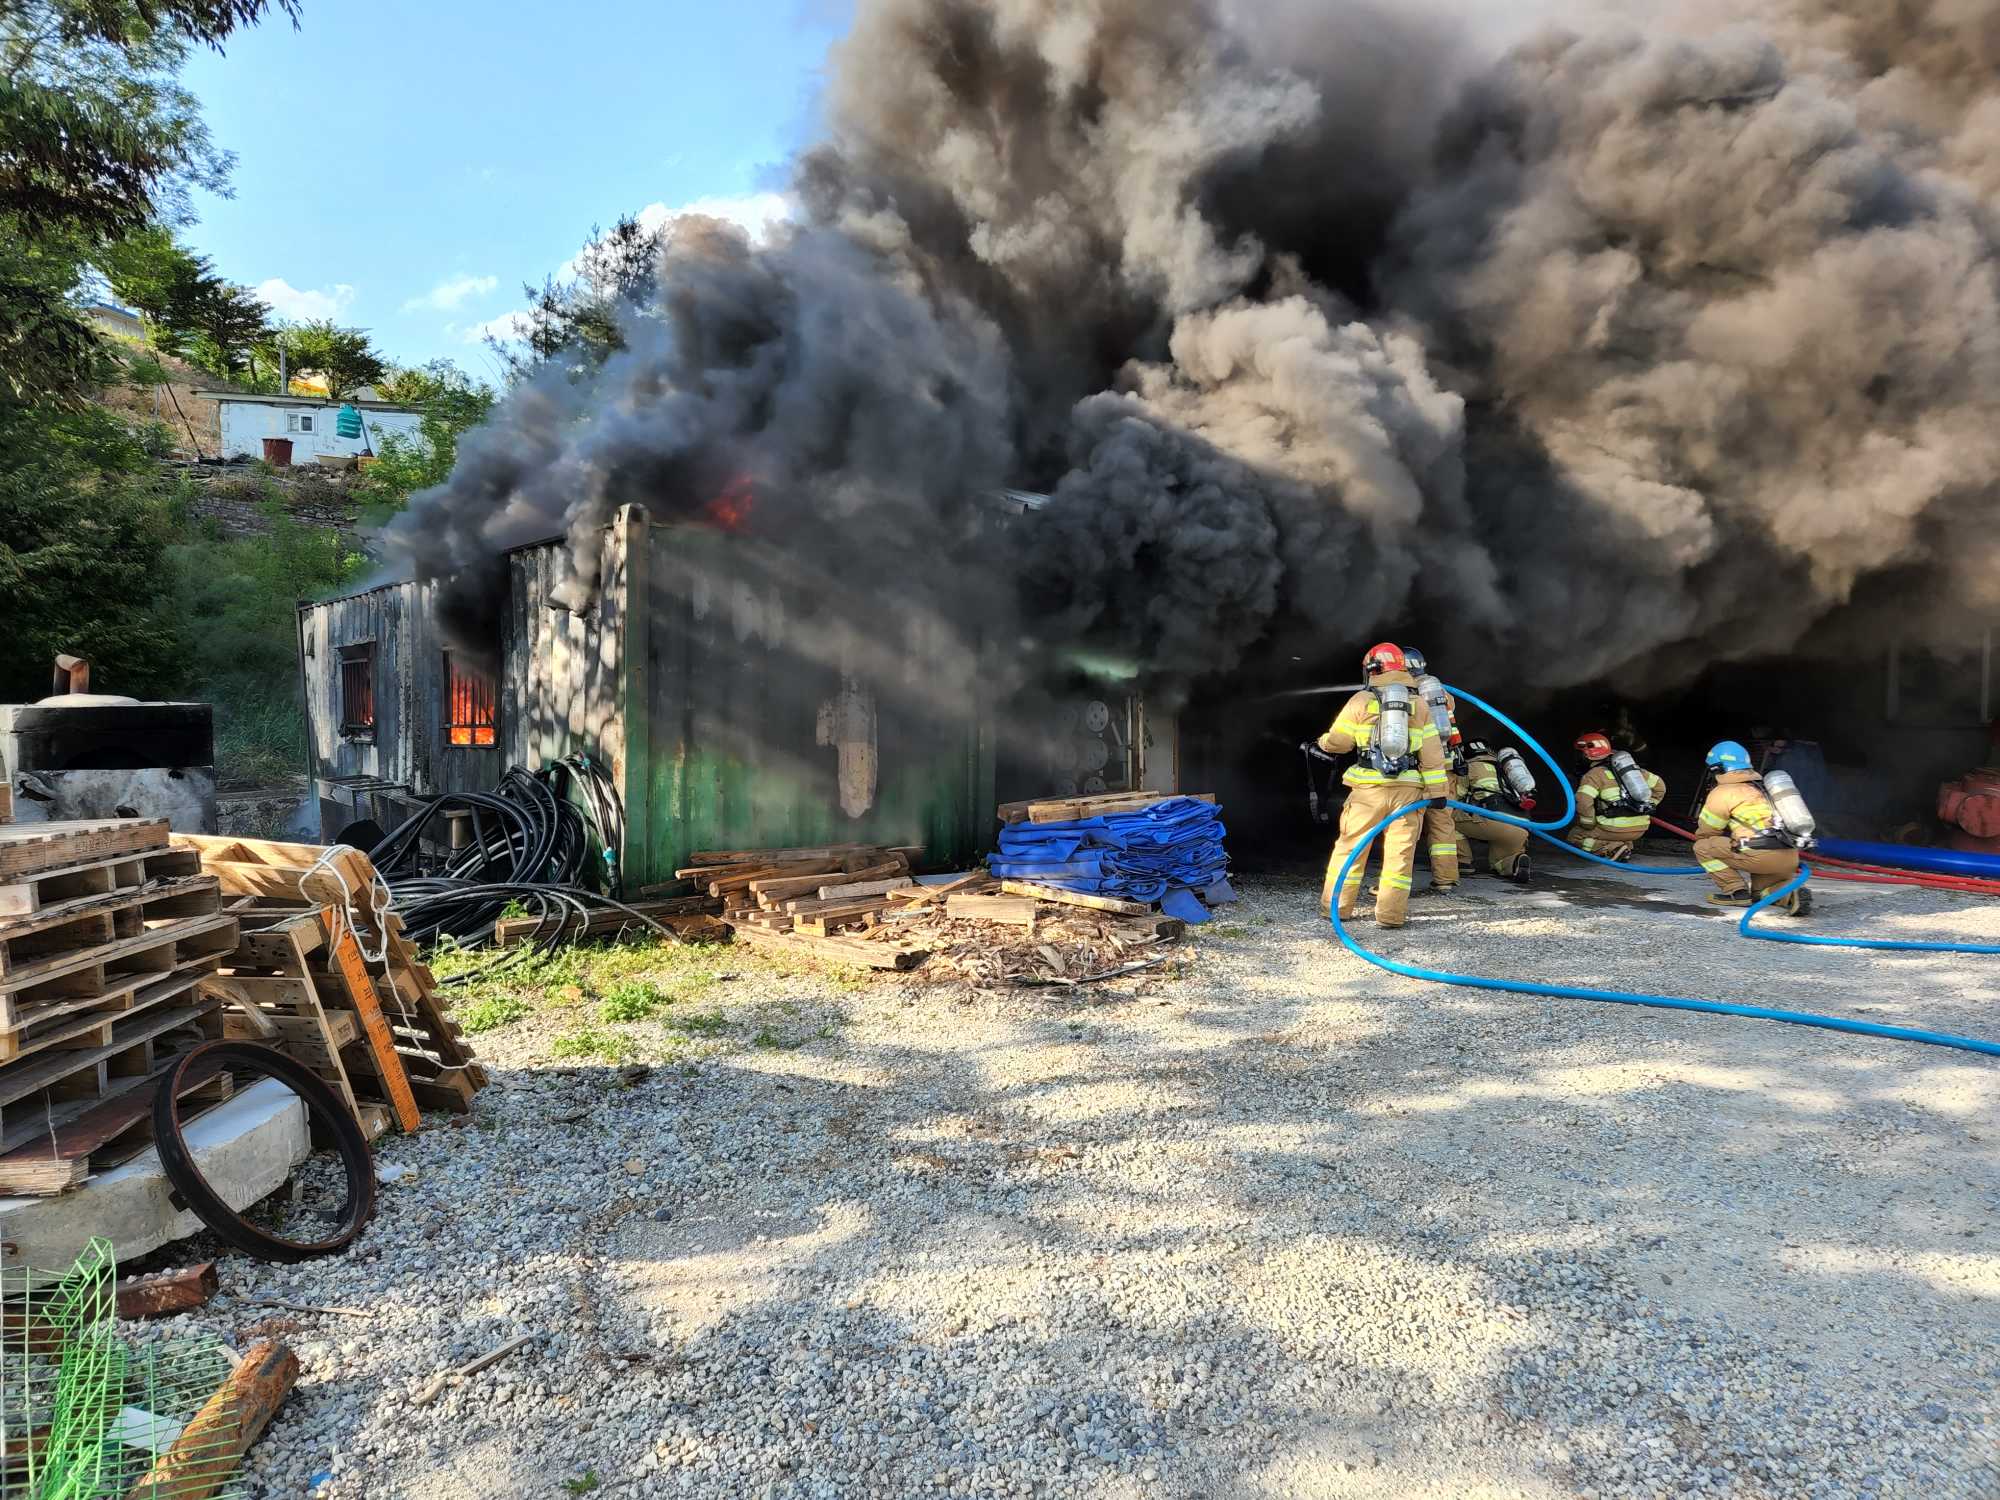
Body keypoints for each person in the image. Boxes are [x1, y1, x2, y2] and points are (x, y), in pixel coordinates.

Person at [1310, 641, 1449, 927]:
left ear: (1372, 669)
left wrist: (1323, 742)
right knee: (1400, 856)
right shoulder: (1419, 704)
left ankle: (1336, 908)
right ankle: (1390, 916)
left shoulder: (1360, 700)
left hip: (1368, 791)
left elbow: (1339, 742)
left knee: (1350, 849)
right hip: (1408, 793)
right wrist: (1438, 793)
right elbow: (1433, 754)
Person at [1694, 740, 1811, 914]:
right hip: (1789, 856)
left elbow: (1707, 832)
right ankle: (1791, 895)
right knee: (1761, 893)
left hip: (1759, 855)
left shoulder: (1724, 792)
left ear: (1717, 769)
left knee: (1702, 846)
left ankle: (1736, 892)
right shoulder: (1764, 787)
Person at [1401, 646, 1462, 893]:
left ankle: (1395, 887)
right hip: (1445, 767)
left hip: (1419, 767)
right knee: (1442, 823)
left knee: (1405, 825)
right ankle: (1445, 880)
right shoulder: (1441, 692)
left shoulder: (1405, 694)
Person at [1566, 731, 1664, 861]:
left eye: (1579, 754)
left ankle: (1612, 848)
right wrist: (1645, 806)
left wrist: (1588, 823)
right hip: (1640, 828)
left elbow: (1583, 801)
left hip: (1612, 828)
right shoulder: (1634, 771)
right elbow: (1660, 787)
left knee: (1574, 837)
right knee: (1615, 832)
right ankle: (1625, 847)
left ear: (1585, 755)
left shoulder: (1594, 774)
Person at [1453, 738, 1533, 882]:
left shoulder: (1468, 767)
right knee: (1501, 860)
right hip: (1523, 824)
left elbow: (1454, 798)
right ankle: (1516, 861)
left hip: (1495, 820)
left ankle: (1462, 861)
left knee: (1447, 818)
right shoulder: (1505, 768)